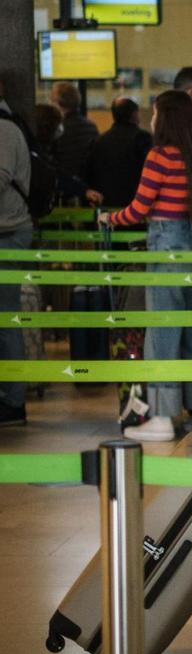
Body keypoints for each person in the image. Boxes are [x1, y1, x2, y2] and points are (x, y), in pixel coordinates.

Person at [98, 90, 192, 442]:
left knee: (162, 335)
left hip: (165, 249)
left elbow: (139, 208)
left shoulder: (159, 156)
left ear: (164, 118)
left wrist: (110, 218)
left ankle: (163, 417)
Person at [0, 80, 32, 426]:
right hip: (6, 229)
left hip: (8, 232)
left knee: (6, 318)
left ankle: (12, 399)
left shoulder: (4, 128)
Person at [83, 97, 153, 207]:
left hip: (106, 204)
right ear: (134, 114)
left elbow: (88, 172)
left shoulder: (99, 141)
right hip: (136, 205)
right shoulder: (143, 139)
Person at [49, 82, 98, 185]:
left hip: (64, 184)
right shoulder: (91, 126)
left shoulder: (56, 129)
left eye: (52, 99)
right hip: (88, 183)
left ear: (58, 102)